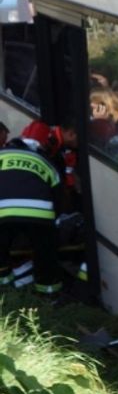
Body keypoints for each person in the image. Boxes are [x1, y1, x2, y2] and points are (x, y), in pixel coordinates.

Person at [0, 123, 71, 294]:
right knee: (46, 255)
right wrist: (55, 221)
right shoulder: (44, 161)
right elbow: (59, 195)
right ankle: (49, 295)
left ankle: (5, 291)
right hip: (40, 215)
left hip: (2, 213)